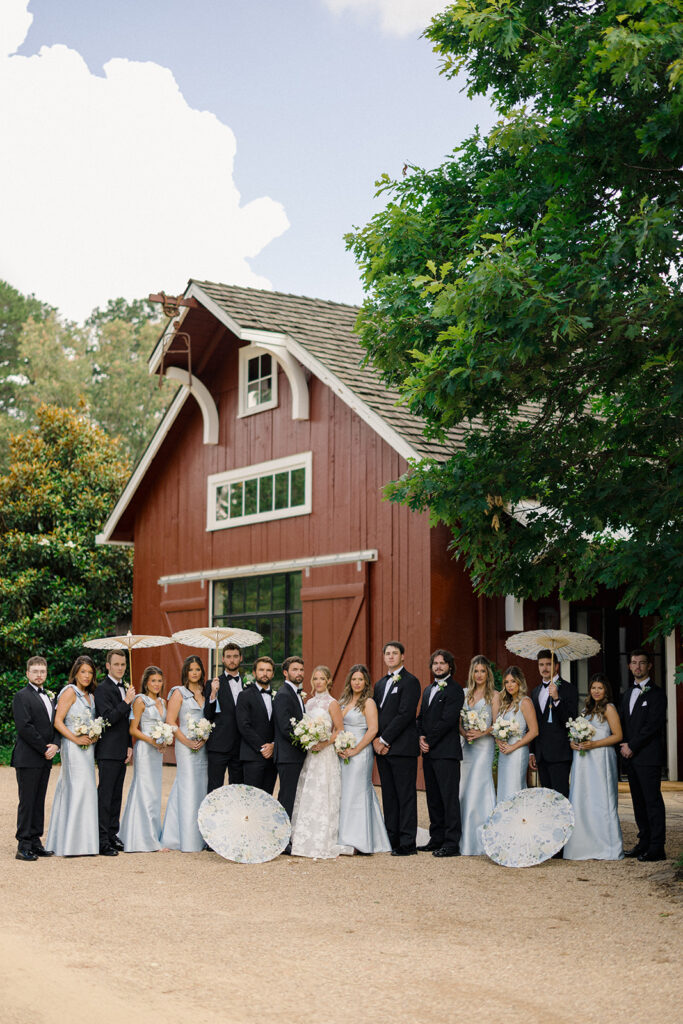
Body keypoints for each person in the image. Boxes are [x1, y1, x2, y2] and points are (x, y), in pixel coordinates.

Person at [564, 674, 623, 861]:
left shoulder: (609, 708)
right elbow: (576, 733)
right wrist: (574, 742)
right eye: (593, 688)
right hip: (583, 761)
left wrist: (594, 745)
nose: (596, 691)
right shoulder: (586, 710)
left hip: (600, 759)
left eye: (600, 688)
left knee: (601, 800)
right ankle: (583, 845)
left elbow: (618, 735)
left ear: (606, 690)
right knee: (584, 799)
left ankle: (608, 847)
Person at [46, 655, 100, 857]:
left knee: (87, 790)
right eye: (83, 672)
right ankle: (68, 843)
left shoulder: (91, 696)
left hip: (88, 749)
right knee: (75, 788)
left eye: (90, 672)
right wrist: (76, 740)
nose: (86, 676)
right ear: (76, 672)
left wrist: (94, 734)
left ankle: (84, 843)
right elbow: (58, 722)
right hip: (72, 746)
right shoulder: (69, 692)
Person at [290, 665, 345, 859]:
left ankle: (323, 839)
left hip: (325, 755)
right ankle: (304, 840)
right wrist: (307, 738)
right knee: (307, 793)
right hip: (310, 755)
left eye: (322, 678)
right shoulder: (308, 703)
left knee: (324, 793)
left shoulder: (333, 703)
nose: (318, 682)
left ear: (329, 681)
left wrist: (324, 743)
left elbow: (338, 729)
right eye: (315, 679)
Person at [373, 641, 421, 856]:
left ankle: (407, 842)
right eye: (388, 653)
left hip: (402, 748)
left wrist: (384, 739)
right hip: (382, 750)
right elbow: (375, 715)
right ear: (384, 657)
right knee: (389, 796)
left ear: (403, 657)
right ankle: (390, 838)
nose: (391, 656)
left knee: (406, 795)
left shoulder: (411, 682)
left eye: (395, 653)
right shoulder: (380, 684)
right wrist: (376, 741)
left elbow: (405, 714)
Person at [337, 664, 391, 855]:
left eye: (360, 679)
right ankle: (343, 835)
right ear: (349, 681)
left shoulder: (368, 703)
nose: (357, 683)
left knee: (358, 792)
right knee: (344, 792)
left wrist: (356, 750)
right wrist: (340, 747)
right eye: (354, 679)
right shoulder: (342, 701)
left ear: (366, 682)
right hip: (343, 752)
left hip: (361, 753)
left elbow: (373, 729)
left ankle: (361, 839)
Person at [619, 649, 667, 861]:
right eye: (634, 662)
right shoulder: (627, 694)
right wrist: (622, 746)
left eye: (641, 663)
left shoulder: (657, 694)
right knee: (638, 803)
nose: (637, 666)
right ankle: (644, 842)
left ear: (649, 666)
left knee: (652, 802)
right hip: (630, 759)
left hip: (648, 757)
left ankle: (657, 848)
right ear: (629, 666)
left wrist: (633, 746)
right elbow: (624, 723)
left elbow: (652, 726)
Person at [11, 655, 60, 861]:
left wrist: (56, 744)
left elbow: (57, 722)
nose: (40, 675)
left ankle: (35, 841)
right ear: (27, 673)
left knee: (39, 800)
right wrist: (44, 748)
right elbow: (24, 727)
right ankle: (23, 845)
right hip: (28, 757)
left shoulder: (50, 696)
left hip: (45, 757)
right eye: (35, 671)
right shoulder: (21, 696)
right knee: (28, 801)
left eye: (43, 671)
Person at [417, 649, 464, 857]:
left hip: (446, 753)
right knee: (433, 798)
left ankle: (451, 842)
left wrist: (429, 739)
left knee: (449, 798)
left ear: (450, 666)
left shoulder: (455, 690)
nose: (438, 666)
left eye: (442, 663)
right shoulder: (428, 690)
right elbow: (421, 718)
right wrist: (420, 736)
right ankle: (436, 838)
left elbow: (448, 720)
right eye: (435, 663)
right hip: (429, 753)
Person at [160, 656, 209, 852]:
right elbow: (171, 721)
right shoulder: (178, 693)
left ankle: (200, 835)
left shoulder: (206, 692)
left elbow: (210, 718)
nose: (195, 673)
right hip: (185, 744)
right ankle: (185, 839)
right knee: (187, 785)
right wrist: (187, 741)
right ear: (185, 672)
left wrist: (204, 738)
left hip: (202, 745)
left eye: (198, 669)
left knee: (200, 786)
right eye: (191, 669)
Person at [119, 666, 169, 852]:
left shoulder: (163, 702)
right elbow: (133, 729)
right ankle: (145, 839)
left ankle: (148, 834)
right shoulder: (140, 700)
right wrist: (152, 741)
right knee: (143, 789)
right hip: (145, 751)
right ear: (146, 682)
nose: (156, 684)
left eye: (159, 681)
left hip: (157, 752)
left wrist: (163, 741)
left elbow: (163, 726)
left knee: (154, 792)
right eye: (153, 680)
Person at [94, 649, 136, 855]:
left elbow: (127, 722)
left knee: (117, 795)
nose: (121, 668)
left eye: (123, 664)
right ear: (108, 666)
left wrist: (129, 745)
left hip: (121, 750)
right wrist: (126, 702)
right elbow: (108, 718)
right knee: (105, 796)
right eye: (117, 664)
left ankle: (112, 833)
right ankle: (101, 840)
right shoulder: (102, 689)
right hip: (107, 751)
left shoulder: (126, 688)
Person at [459, 655, 499, 855]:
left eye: (483, 671)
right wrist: (464, 732)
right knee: (464, 787)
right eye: (476, 671)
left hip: (484, 747)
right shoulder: (465, 693)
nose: (479, 674)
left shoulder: (494, 695)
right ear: (472, 673)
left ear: (487, 673)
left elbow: (498, 723)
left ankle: (481, 839)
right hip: (467, 746)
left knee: (478, 786)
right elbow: (457, 720)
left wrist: (482, 732)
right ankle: (463, 837)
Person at [529, 648, 578, 797]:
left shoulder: (569, 689)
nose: (544, 668)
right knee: (546, 798)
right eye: (541, 664)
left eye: (548, 664)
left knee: (560, 796)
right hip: (541, 753)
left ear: (556, 666)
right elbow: (533, 723)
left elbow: (571, 720)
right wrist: (532, 751)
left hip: (560, 753)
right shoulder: (535, 691)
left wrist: (557, 699)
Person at [273, 655, 306, 853]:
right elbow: (286, 728)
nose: (299, 673)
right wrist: (307, 741)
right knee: (286, 797)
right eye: (295, 669)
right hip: (288, 755)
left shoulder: (296, 693)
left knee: (293, 796)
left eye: (301, 670)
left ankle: (289, 835)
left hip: (295, 754)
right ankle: (282, 840)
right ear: (285, 672)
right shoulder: (284, 694)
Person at [204, 643, 244, 791]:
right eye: (228, 657)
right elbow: (207, 715)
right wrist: (213, 694)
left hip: (241, 747)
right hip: (218, 746)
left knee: (238, 789)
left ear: (240, 658)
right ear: (222, 659)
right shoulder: (212, 683)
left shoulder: (248, 684)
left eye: (235, 656)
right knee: (214, 788)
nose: (232, 660)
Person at [494, 666, 538, 803]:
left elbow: (534, 731)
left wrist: (513, 747)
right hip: (504, 753)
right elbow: (497, 728)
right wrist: (498, 741)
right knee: (504, 789)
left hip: (517, 753)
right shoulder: (505, 703)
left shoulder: (525, 702)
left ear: (519, 682)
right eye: (506, 682)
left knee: (514, 789)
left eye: (513, 681)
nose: (509, 685)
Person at [235, 657, 276, 794]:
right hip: (252, 756)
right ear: (254, 673)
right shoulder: (244, 695)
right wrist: (263, 748)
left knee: (268, 799)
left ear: (273, 674)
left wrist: (273, 745)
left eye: (268, 670)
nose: (265, 673)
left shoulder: (278, 696)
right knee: (251, 799)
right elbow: (243, 726)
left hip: (273, 756)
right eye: (261, 670)